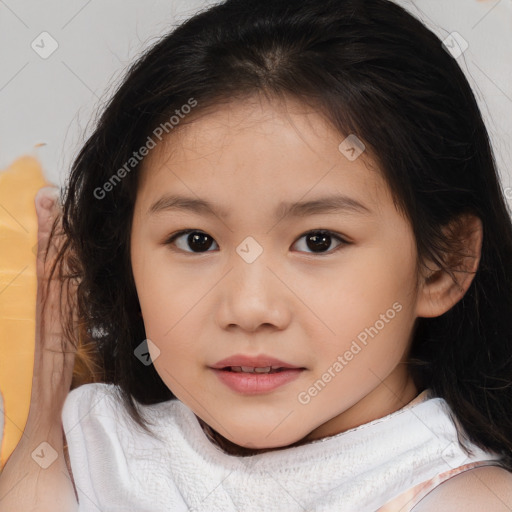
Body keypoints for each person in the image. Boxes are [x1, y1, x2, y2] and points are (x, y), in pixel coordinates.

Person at [1, 0, 511, 510]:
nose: (249, 308)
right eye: (196, 240)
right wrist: (40, 441)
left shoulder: (467, 498)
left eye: (319, 241)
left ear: (442, 264)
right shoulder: (90, 444)